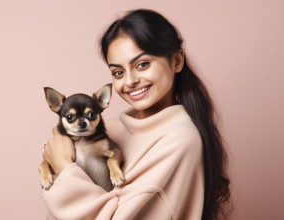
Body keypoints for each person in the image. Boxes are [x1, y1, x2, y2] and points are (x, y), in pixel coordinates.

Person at [42, 9, 231, 220]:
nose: (130, 81)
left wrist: (64, 167)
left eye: (142, 64)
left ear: (177, 61)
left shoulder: (180, 139)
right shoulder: (108, 130)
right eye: (118, 72)